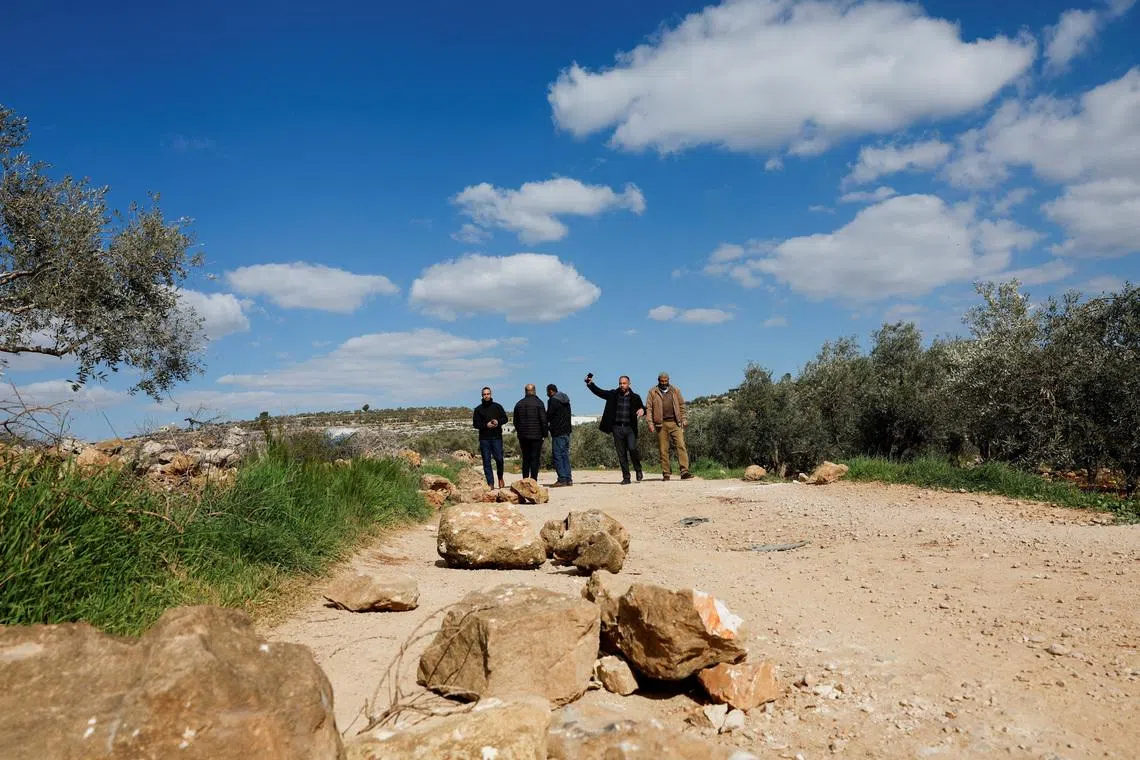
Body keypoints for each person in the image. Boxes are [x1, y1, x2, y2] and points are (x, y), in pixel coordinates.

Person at [585, 373, 645, 485]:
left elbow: (642, 408)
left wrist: (642, 410)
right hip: (617, 428)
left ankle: (638, 469)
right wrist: (590, 384)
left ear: (629, 384)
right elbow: (599, 392)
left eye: (624, 383)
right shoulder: (613, 394)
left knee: (632, 449)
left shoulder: (635, 397)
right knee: (621, 453)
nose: (622, 385)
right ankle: (626, 477)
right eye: (620, 383)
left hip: (630, 428)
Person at [646, 371, 692, 480]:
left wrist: (684, 419)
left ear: (668, 380)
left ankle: (684, 471)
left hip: (675, 423)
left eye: (665, 381)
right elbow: (649, 408)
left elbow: (681, 405)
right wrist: (650, 423)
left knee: (681, 446)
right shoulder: (653, 392)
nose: (664, 382)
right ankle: (666, 472)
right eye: (662, 381)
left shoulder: (675, 390)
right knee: (663, 449)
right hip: (660, 424)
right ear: (658, 381)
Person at [472, 386, 508, 488]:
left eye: (488, 394)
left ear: (491, 394)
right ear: (482, 396)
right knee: (486, 461)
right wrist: (486, 425)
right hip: (484, 439)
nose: (486, 396)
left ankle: (500, 478)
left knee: (499, 459)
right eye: (484, 394)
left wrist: (498, 422)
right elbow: (475, 424)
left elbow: (505, 419)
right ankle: (490, 483)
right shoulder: (478, 409)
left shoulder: (497, 406)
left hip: (497, 437)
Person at [513, 384, 548, 481]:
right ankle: (533, 480)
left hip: (523, 436)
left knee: (526, 458)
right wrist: (545, 434)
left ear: (525, 391)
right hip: (536, 436)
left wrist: (520, 432)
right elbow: (543, 421)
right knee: (535, 459)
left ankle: (525, 479)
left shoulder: (519, 404)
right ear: (534, 391)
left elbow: (515, 422)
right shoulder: (539, 403)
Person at [546, 383, 573, 487]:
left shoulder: (552, 400)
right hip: (566, 431)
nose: (547, 394)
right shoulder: (566, 401)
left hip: (557, 432)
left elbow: (549, 416)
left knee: (557, 456)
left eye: (547, 391)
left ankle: (562, 479)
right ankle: (568, 479)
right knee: (565, 455)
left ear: (551, 391)